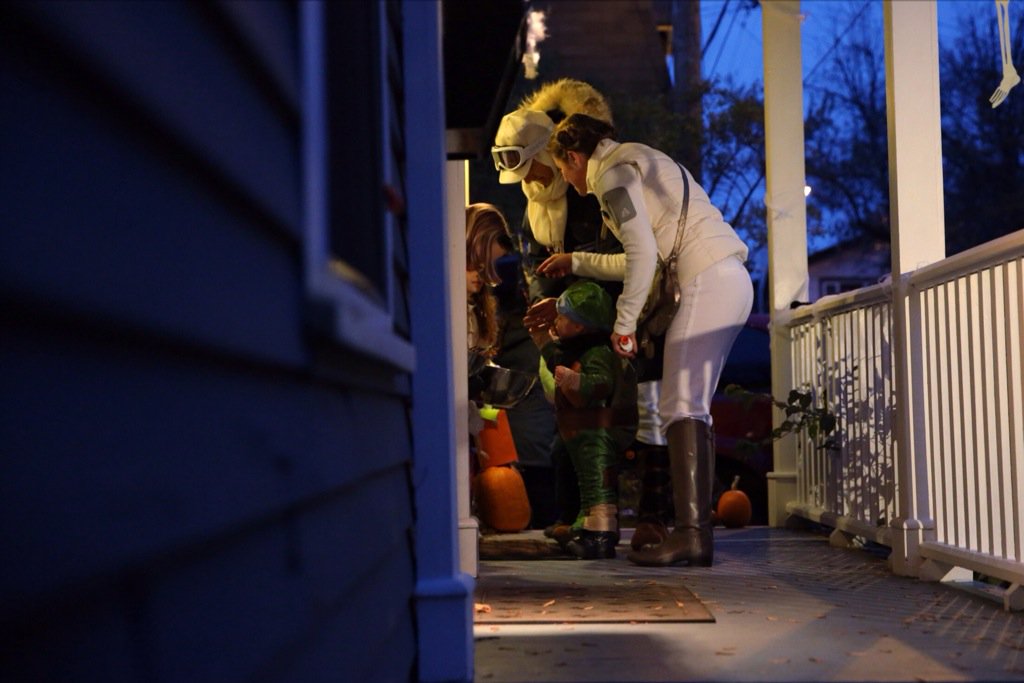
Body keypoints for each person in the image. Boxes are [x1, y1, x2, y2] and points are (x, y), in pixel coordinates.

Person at [543, 113, 753, 567]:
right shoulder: (637, 160)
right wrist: (576, 261)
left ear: (574, 157)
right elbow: (645, 259)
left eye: (563, 169)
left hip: (705, 280)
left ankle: (693, 536)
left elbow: (640, 255)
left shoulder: (613, 174)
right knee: (689, 406)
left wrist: (623, 324)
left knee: (681, 406)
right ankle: (693, 533)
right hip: (728, 276)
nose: (565, 178)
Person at [493, 80, 674, 549]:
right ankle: (580, 516)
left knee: (643, 413)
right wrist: (547, 305)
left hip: (617, 318)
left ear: (554, 158)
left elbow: (629, 259)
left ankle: (649, 515)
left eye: (533, 170)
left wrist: (586, 302)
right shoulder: (538, 208)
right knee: (572, 431)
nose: (530, 183)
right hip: (571, 324)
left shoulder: (594, 188)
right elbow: (540, 265)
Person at [529, 280, 637, 559]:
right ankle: (584, 523)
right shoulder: (571, 349)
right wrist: (542, 340)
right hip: (579, 431)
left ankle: (601, 532)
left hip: (596, 431)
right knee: (585, 481)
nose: (557, 321)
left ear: (578, 326)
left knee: (597, 480)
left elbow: (602, 384)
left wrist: (576, 380)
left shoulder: (597, 353)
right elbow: (555, 358)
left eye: (562, 318)